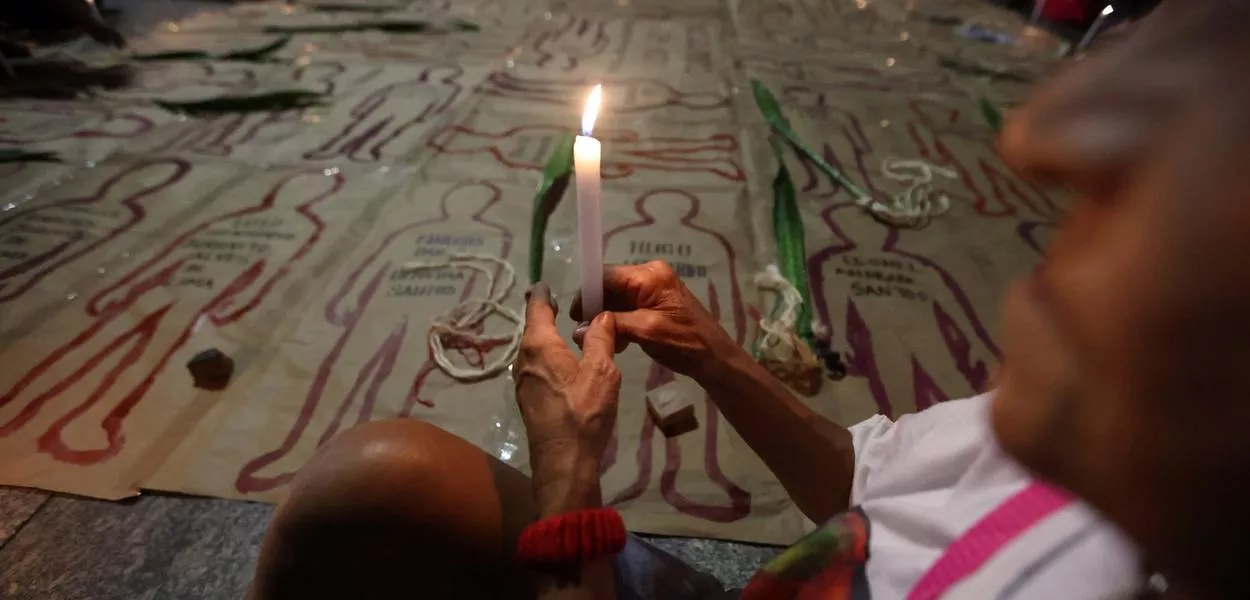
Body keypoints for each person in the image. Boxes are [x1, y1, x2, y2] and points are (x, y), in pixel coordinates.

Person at [246, 1, 1250, 598]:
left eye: (1223, 82)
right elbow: (871, 484)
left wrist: (567, 489)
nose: (1048, 130)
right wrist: (716, 358)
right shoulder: (1114, 437)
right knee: (374, 479)